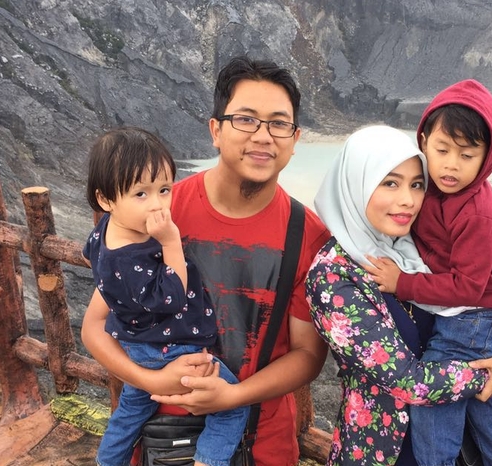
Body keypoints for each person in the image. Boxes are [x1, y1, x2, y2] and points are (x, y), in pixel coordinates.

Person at [81, 57, 331, 466]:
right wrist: (150, 379)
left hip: (263, 443)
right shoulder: (161, 209)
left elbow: (307, 355)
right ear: (216, 130)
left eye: (278, 123)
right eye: (246, 119)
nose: (263, 136)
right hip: (164, 436)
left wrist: (232, 397)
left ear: (295, 137)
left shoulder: (308, 235)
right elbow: (95, 324)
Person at [306, 125, 492, 465]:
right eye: (390, 183)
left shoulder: (417, 244)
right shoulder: (334, 276)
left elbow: (489, 300)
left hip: (452, 443)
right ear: (356, 183)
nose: (408, 200)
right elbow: (407, 381)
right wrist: (491, 373)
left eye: (417, 184)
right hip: (382, 451)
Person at [363, 81, 492, 466]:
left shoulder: (477, 214)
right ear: (422, 141)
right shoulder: (427, 188)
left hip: (473, 317)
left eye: (467, 155)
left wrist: (402, 283)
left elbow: (468, 287)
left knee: (436, 401)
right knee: (487, 407)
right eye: (442, 150)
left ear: (488, 158)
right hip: (475, 314)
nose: (452, 164)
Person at [82, 127, 249, 466]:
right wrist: (171, 242)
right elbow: (172, 298)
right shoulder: (131, 257)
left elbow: (89, 256)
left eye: (163, 190)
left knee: (130, 412)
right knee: (233, 406)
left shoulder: (105, 233)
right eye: (140, 194)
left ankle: (107, 461)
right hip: (173, 350)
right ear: (105, 199)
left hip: (136, 346)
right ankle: (208, 461)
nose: (157, 204)